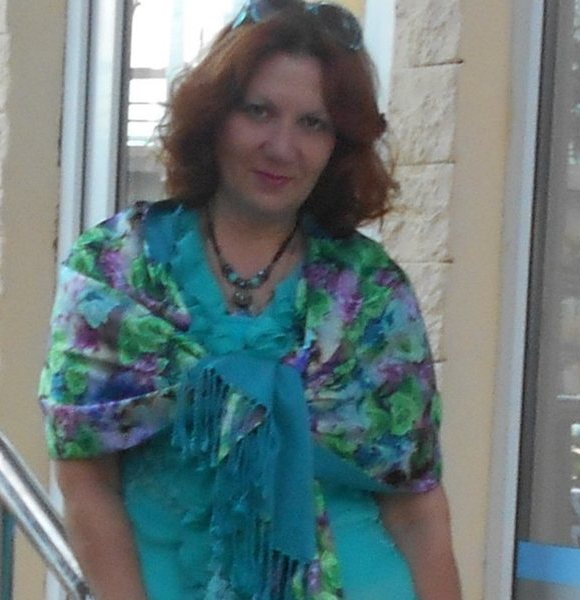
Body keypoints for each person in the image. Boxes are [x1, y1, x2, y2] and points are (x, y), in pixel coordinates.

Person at [38, 1, 461, 598]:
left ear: (338, 144)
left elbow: (416, 505)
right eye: (258, 111)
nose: (282, 147)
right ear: (214, 116)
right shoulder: (117, 269)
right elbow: (86, 481)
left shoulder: (371, 291)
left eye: (313, 123)